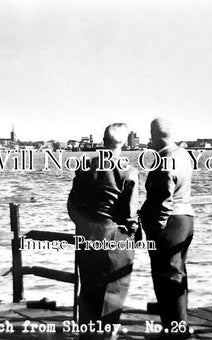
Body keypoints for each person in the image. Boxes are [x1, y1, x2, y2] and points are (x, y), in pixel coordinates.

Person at [67, 123, 139, 340]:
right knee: (115, 290)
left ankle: (87, 336)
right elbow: (130, 213)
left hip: (88, 236)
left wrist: (84, 226)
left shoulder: (85, 166)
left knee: (88, 289)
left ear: (103, 140)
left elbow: (72, 205)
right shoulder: (129, 171)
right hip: (116, 237)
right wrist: (132, 230)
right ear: (125, 143)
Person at [140, 117, 194, 339]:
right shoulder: (183, 154)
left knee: (165, 278)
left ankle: (174, 332)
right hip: (185, 219)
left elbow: (163, 201)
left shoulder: (165, 160)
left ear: (153, 134)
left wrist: (154, 229)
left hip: (169, 224)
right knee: (177, 275)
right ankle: (179, 327)